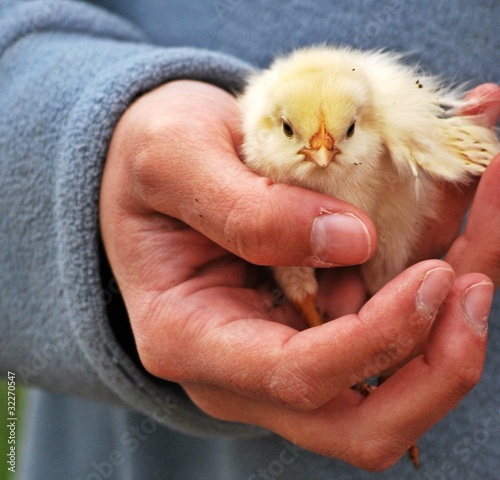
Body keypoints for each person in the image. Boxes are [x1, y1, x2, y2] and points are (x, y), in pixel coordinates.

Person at [1, 0, 499, 478]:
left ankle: (379, 348)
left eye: (342, 136)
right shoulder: (261, 133)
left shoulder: (379, 124)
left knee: (396, 275)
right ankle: (334, 333)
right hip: (162, 457)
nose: (322, 156)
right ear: (270, 126)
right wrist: (93, 154)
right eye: (294, 134)